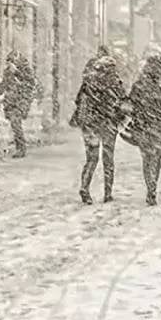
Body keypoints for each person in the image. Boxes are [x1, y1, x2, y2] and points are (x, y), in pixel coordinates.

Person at [70, 47, 127, 204]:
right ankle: (107, 193)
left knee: (91, 159)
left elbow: (78, 101)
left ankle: (85, 187)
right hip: (108, 124)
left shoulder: (88, 82)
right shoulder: (115, 82)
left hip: (90, 124)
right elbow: (122, 103)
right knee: (108, 159)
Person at [127, 55, 161, 205]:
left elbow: (131, 105)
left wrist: (138, 116)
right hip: (159, 127)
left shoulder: (139, 85)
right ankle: (152, 187)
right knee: (156, 159)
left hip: (144, 126)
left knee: (147, 159)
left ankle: (150, 185)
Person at [0, 51, 38, 158]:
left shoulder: (25, 70)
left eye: (12, 61)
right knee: (14, 124)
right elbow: (4, 85)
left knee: (15, 121)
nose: (9, 64)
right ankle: (20, 146)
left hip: (22, 100)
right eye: (9, 62)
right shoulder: (7, 71)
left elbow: (30, 82)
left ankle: (21, 148)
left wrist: (16, 72)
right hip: (11, 100)